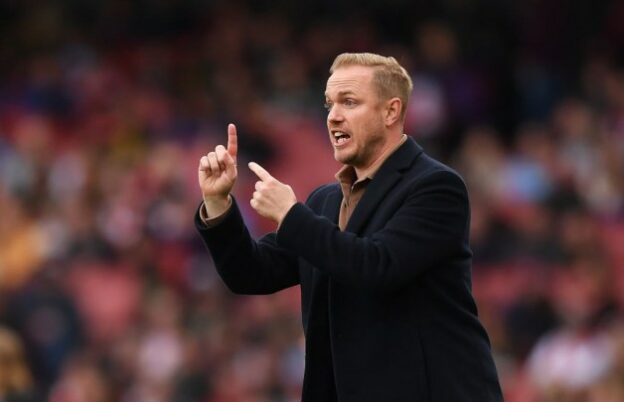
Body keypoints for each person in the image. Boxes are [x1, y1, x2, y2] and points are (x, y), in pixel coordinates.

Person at [195, 52, 503, 402]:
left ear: (391, 111)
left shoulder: (436, 187)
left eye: (349, 102)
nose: (334, 116)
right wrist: (218, 202)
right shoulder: (324, 202)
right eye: (329, 105)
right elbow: (250, 274)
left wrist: (292, 215)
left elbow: (378, 266)